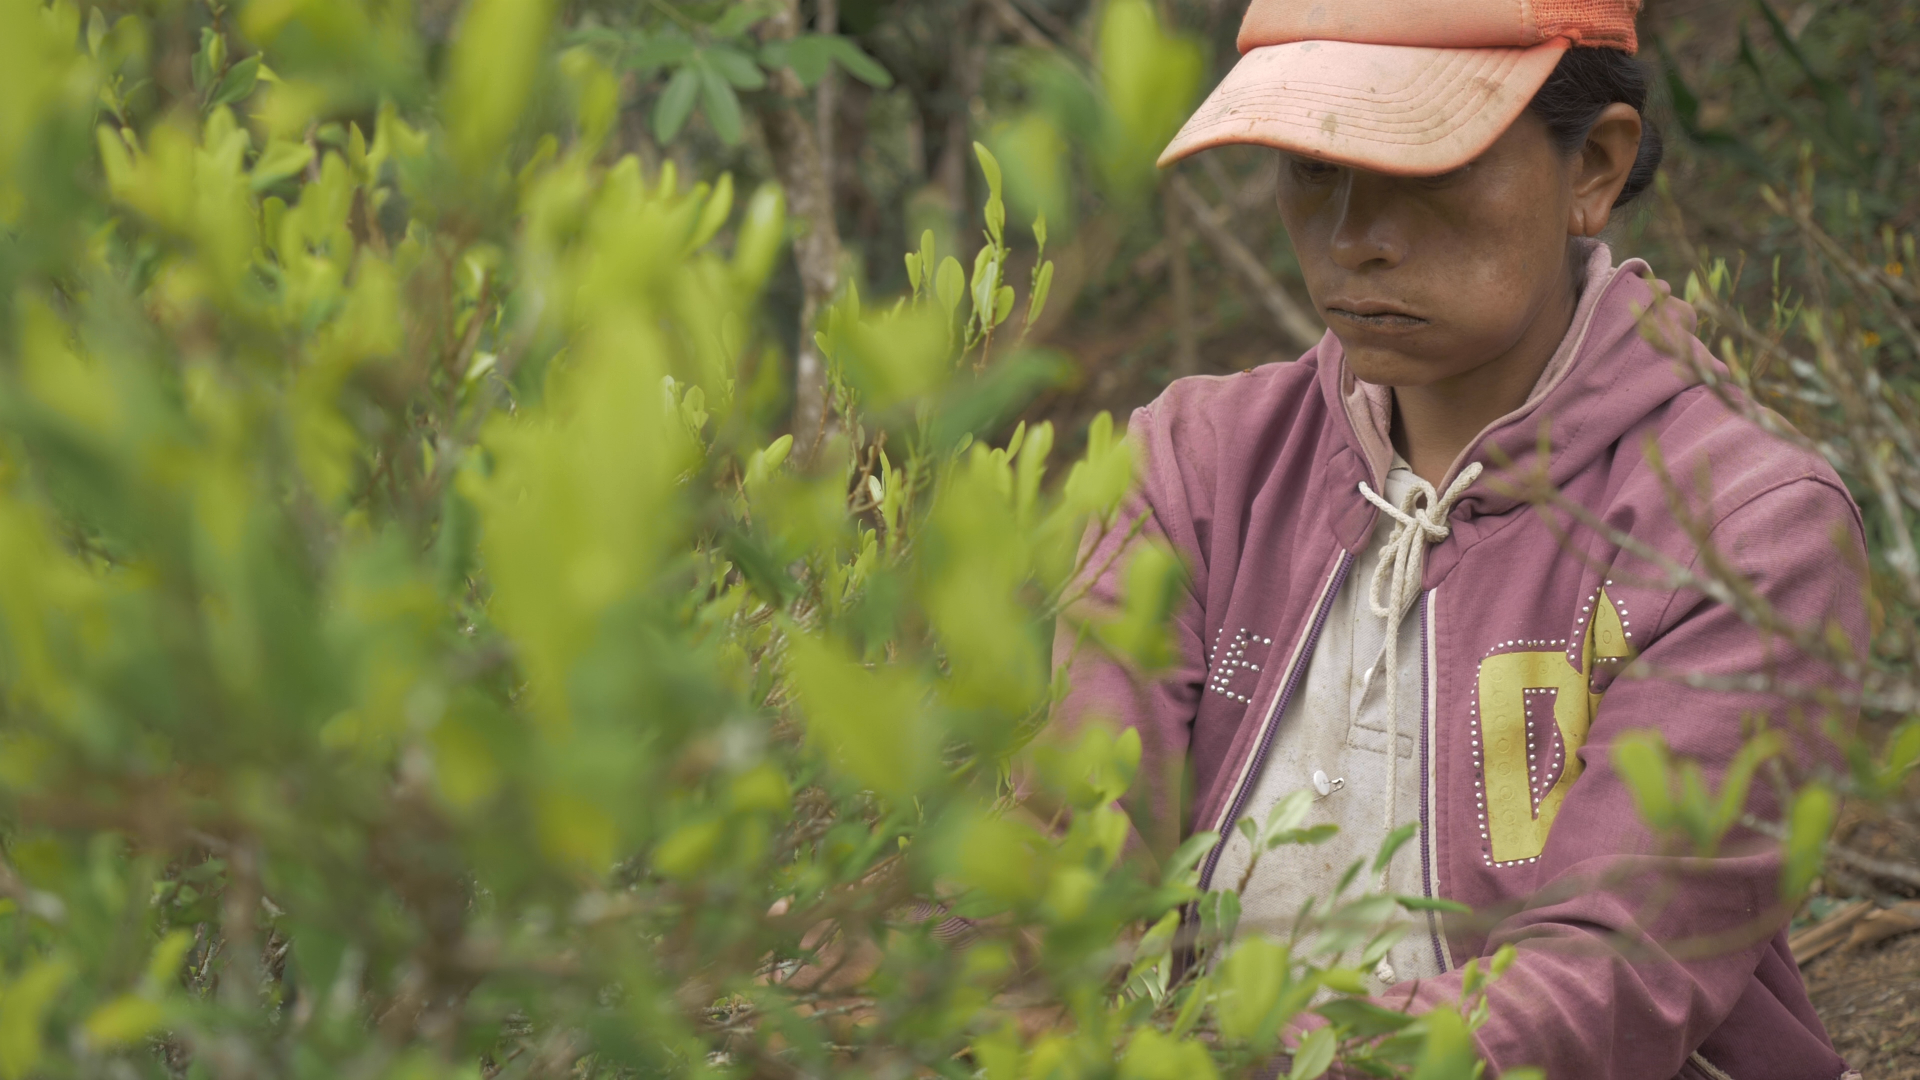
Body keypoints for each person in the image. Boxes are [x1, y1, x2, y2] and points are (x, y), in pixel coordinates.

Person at [1051, 1, 1869, 1077]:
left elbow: (1602, 982)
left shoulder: (1745, 533)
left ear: (1595, 168)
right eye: (1310, 167)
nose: (1353, 236)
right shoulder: (1197, 465)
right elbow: (1064, 859)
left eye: (1422, 165)